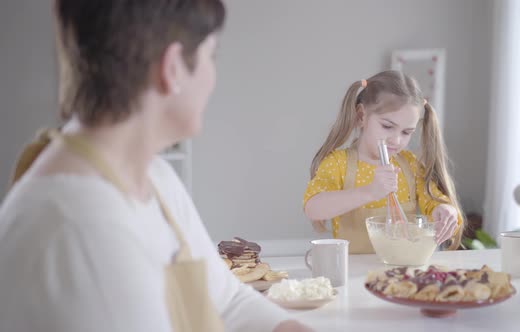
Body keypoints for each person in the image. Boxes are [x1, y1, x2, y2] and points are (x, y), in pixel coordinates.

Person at [0, 1, 311, 331]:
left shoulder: (155, 178)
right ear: (173, 68)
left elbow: (228, 301)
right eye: (211, 55)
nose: (212, 75)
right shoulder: (78, 229)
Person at [303, 70, 464, 254]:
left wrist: (444, 210)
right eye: (387, 126)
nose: (396, 141)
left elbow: (432, 201)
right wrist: (370, 192)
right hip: (352, 272)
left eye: (406, 132)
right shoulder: (338, 163)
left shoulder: (409, 164)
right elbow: (313, 208)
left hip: (399, 270)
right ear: (361, 116)